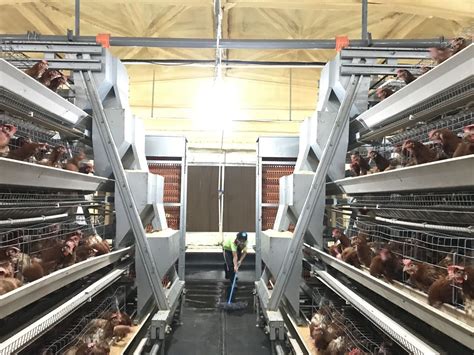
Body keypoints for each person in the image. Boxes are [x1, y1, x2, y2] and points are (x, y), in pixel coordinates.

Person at [223, 232, 248, 299]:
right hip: (227, 249)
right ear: (237, 238)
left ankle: (233, 279)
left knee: (234, 266)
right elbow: (235, 256)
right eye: (241, 240)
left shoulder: (245, 242)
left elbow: (245, 252)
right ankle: (232, 279)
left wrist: (240, 261)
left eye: (243, 241)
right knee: (230, 266)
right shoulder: (233, 241)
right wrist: (235, 266)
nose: (242, 242)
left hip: (237, 247)